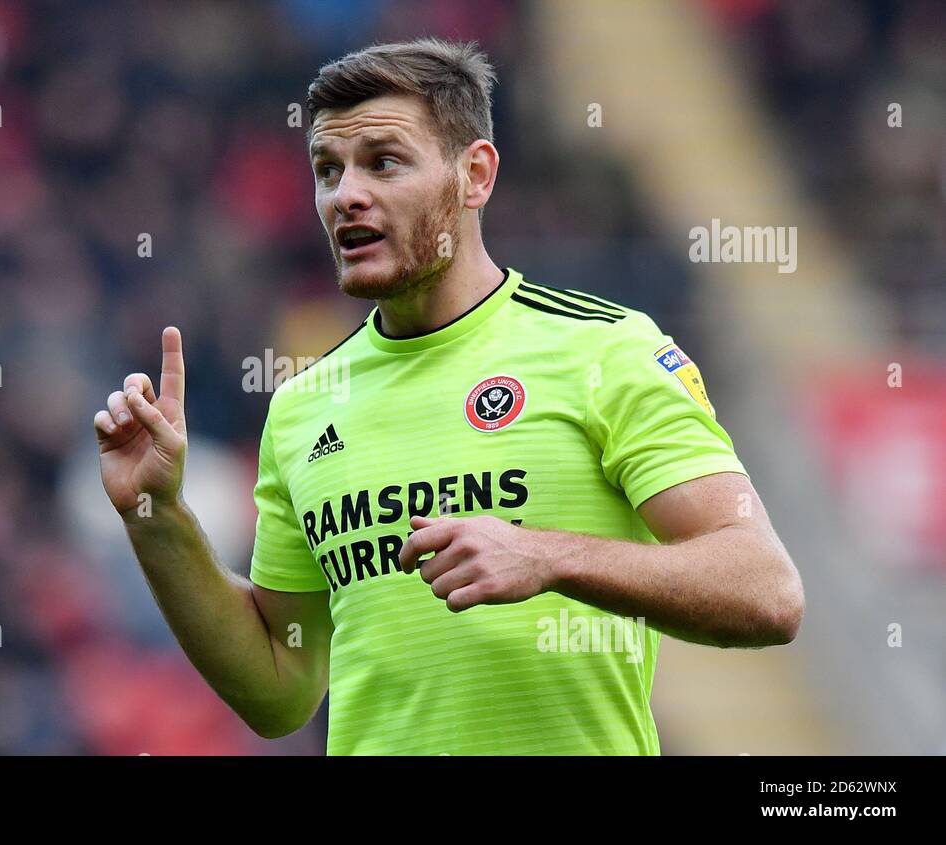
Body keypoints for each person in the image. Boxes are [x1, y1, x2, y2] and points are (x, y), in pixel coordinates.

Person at [93, 38, 804, 755]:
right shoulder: (305, 404)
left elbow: (767, 591)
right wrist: (156, 514)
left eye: (384, 162)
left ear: (475, 175)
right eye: (327, 170)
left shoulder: (605, 351)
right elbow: (281, 687)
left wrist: (548, 556)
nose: (346, 195)